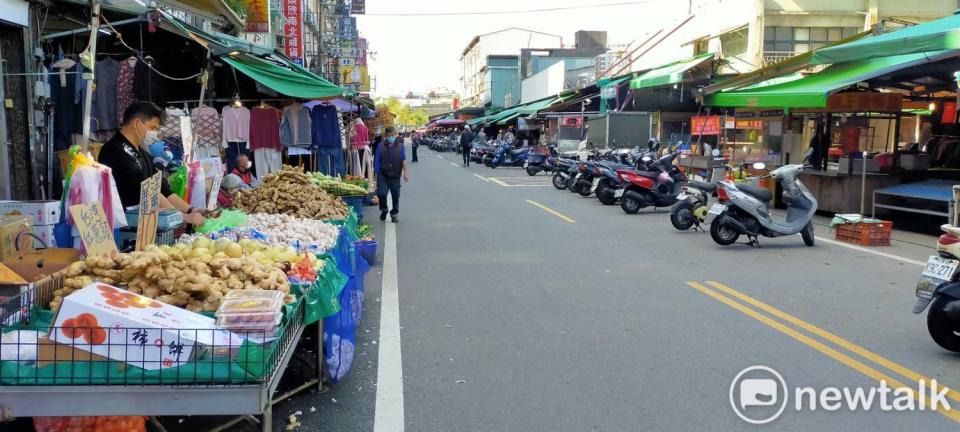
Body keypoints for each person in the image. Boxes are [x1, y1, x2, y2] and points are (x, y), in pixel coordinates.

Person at [98, 101, 204, 226]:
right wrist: (184, 216)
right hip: (124, 225)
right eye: (152, 128)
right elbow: (146, 190)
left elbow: (161, 188)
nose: (155, 134)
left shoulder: (143, 153)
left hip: (145, 223)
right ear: (137, 123)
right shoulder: (114, 151)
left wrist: (190, 209)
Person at [374, 127, 409, 223]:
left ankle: (394, 213)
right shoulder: (380, 146)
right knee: (381, 193)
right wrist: (376, 173)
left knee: (396, 195)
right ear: (385, 136)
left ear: (396, 135)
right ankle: (384, 209)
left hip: (395, 175)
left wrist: (406, 173)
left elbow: (404, 160)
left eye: (392, 135)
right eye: (389, 135)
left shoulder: (401, 146)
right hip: (382, 174)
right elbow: (377, 159)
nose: (391, 137)